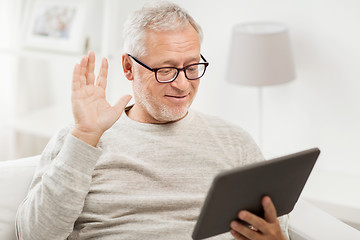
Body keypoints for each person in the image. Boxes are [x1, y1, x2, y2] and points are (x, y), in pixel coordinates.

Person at [16, 2, 289, 240]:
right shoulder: (79, 140)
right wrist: (86, 135)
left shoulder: (235, 142)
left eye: (192, 67)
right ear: (128, 67)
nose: (183, 84)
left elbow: (276, 227)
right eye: (166, 69)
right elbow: (35, 235)